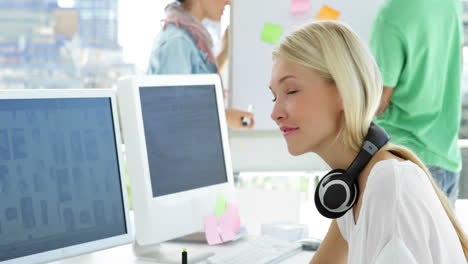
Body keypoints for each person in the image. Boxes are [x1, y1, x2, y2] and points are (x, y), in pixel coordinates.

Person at [268, 21, 468, 263]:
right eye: (273, 96)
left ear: (342, 91)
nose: (275, 113)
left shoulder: (388, 186)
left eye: (291, 91)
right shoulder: (353, 183)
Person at [369, 0, 464, 205]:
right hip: (447, 160)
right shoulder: (452, 3)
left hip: (404, 161)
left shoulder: (391, 14)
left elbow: (377, 104)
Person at [147, 0, 254, 129]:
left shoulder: (189, 36)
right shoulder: (177, 41)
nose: (228, 2)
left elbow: (198, 82)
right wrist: (224, 115)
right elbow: (171, 109)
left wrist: (225, 52)